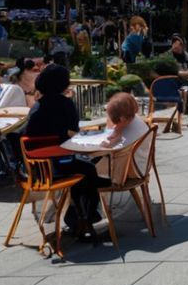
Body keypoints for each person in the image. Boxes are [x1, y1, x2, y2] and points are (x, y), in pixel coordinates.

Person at [25, 64, 109, 241]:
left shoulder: (37, 106)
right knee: (88, 170)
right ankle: (86, 219)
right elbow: (73, 132)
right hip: (57, 165)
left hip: (37, 169)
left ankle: (78, 219)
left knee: (84, 169)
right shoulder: (64, 104)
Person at [97, 92, 151, 184]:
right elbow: (117, 132)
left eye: (116, 122)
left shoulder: (132, 131)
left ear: (123, 119)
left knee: (90, 169)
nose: (115, 124)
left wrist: (107, 146)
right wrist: (116, 131)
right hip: (141, 164)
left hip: (133, 170)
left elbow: (118, 152)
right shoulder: (133, 119)